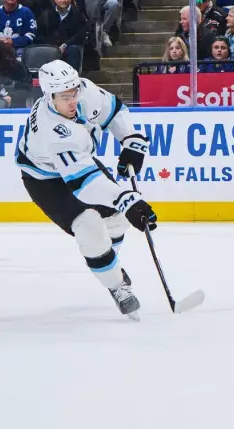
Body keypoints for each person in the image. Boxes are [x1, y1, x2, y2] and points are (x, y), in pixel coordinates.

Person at [16, 60, 156, 319]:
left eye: (74, 92)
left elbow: (114, 111)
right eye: (64, 97)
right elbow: (84, 184)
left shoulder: (85, 91)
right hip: (44, 180)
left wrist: (131, 139)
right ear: (49, 96)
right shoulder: (54, 132)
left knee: (117, 220)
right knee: (89, 226)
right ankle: (118, 287)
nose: (73, 101)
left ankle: (107, 261)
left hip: (79, 166)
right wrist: (126, 198)